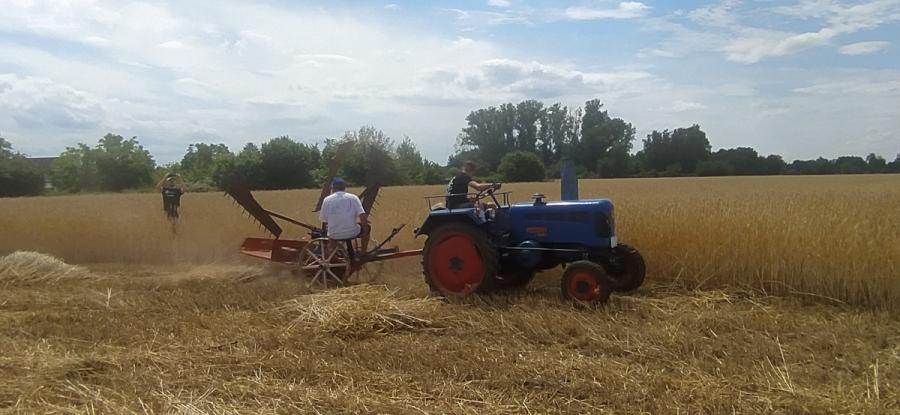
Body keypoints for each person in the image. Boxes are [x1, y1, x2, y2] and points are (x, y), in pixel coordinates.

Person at [319, 177, 371, 253]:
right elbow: (362, 215)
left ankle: (333, 254)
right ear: (344, 188)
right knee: (368, 228)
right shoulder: (353, 198)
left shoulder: (327, 200)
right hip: (352, 232)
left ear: (332, 188)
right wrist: (365, 230)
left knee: (332, 234)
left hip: (334, 235)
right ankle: (363, 253)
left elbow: (324, 219)